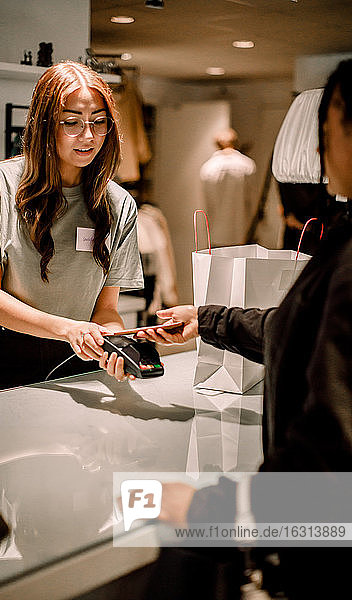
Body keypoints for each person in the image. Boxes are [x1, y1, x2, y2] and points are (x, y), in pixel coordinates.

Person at [138, 60, 352, 598]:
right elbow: (294, 327)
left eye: (327, 132)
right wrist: (205, 319)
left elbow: (331, 454)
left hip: (324, 553)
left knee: (132, 505)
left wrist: (217, 510)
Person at [0, 61, 144, 394]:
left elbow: (106, 309)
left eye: (99, 123)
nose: (88, 136)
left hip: (77, 363)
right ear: (44, 124)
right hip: (3, 358)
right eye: (71, 123)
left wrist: (115, 345)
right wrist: (68, 329)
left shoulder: (118, 204)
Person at [199, 128, 256, 247]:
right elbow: (251, 199)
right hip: (240, 230)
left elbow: (207, 201)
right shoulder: (247, 165)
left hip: (216, 231)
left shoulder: (208, 167)